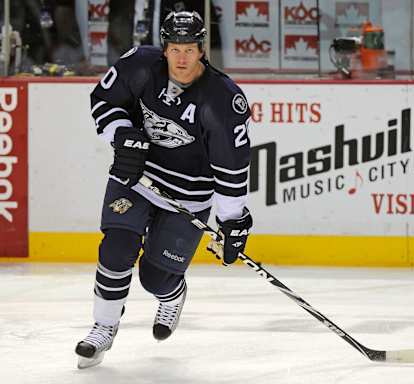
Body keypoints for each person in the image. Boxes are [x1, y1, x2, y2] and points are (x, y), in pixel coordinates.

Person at [75, 11, 252, 369]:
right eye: (175, 49)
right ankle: (103, 327)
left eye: (189, 49)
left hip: (188, 193)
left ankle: (172, 294)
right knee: (116, 248)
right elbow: (104, 101)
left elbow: (232, 167)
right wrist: (122, 135)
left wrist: (233, 220)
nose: (182, 58)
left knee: (154, 277)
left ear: (201, 50)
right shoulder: (140, 65)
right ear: (164, 49)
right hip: (137, 176)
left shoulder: (222, 100)